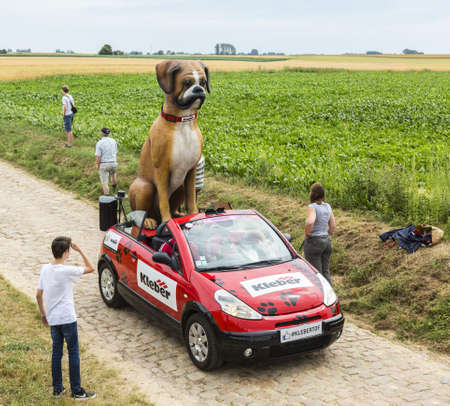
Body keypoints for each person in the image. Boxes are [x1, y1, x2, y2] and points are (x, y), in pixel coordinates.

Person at [35, 237, 96, 400]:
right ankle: (77, 390)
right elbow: (91, 268)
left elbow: (38, 294)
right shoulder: (66, 270)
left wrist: (43, 313)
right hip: (68, 318)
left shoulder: (45, 269)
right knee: (73, 352)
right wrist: (80, 249)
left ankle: (57, 389)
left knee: (56, 352)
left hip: (53, 318)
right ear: (66, 252)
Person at [303, 183, 336, 285]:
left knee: (316, 273)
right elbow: (333, 226)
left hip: (315, 242)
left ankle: (321, 296)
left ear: (313, 194)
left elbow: (310, 222)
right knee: (325, 271)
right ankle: (330, 295)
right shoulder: (327, 206)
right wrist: (327, 234)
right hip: (327, 242)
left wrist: (307, 233)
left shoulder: (312, 207)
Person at [95, 128, 118, 195]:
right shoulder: (113, 141)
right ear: (108, 134)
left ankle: (107, 198)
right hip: (114, 162)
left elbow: (98, 156)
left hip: (104, 164)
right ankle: (114, 190)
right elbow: (115, 151)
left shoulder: (99, 143)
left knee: (104, 182)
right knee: (113, 175)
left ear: (102, 133)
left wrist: (97, 165)